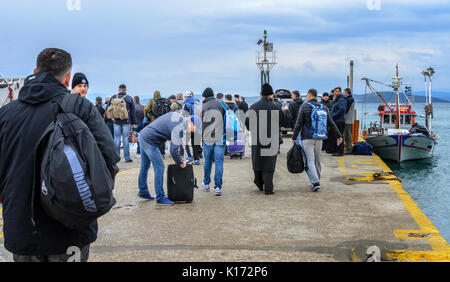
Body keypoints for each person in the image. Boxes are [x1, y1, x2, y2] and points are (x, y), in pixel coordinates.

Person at [0, 48, 119, 262]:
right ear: (66, 80)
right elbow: (109, 158)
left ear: (35, 71)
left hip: (22, 228)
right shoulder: (80, 108)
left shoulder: (6, 114)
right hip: (70, 228)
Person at [138, 111, 199, 205]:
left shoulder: (178, 117)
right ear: (191, 123)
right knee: (159, 167)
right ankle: (160, 197)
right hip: (150, 141)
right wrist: (180, 162)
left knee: (145, 166)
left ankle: (143, 191)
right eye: (195, 128)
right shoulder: (179, 128)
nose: (194, 131)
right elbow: (173, 151)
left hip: (143, 135)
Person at [292, 89, 343, 192]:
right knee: (318, 160)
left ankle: (315, 182)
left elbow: (298, 123)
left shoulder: (304, 106)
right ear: (316, 96)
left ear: (309, 96)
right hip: (319, 137)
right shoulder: (323, 107)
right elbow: (331, 123)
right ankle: (317, 179)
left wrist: (294, 137)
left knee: (310, 161)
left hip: (307, 137)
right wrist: (339, 135)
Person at [245, 83, 287, 195]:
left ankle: (259, 183)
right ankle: (268, 187)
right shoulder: (276, 107)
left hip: (257, 138)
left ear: (260, 94)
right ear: (271, 95)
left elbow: (247, 124)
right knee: (269, 163)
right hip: (272, 139)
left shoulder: (253, 107)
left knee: (257, 161)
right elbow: (284, 122)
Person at [201, 87, 226, 196]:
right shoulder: (221, 104)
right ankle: (218, 187)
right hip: (220, 137)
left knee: (208, 161)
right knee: (219, 162)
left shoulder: (203, 106)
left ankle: (206, 183)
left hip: (207, 138)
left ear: (205, 96)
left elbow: (199, 124)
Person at [106, 84, 137, 162]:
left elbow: (107, 108)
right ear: (125, 90)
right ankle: (127, 158)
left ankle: (116, 158)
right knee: (126, 139)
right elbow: (133, 112)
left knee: (116, 139)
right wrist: (133, 122)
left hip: (116, 121)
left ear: (119, 90)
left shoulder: (113, 97)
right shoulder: (129, 98)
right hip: (127, 121)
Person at [144, 90, 167, 158]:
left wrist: (146, 116)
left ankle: (154, 152)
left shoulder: (151, 101)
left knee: (154, 137)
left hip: (154, 121)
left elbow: (145, 109)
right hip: (163, 121)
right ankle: (162, 153)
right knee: (162, 137)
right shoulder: (164, 101)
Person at [183, 91, 202, 165]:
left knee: (186, 141)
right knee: (195, 143)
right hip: (198, 124)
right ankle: (197, 160)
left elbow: (183, 115)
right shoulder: (198, 103)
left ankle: (189, 157)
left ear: (186, 97)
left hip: (189, 124)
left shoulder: (186, 104)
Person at [328, 87, 347, 156]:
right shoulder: (337, 100)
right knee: (335, 136)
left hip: (339, 121)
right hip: (336, 120)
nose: (335, 93)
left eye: (336, 91)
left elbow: (341, 110)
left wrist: (333, 116)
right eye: (334, 91)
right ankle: (336, 150)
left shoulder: (341, 100)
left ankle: (340, 152)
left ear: (340, 92)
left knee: (339, 136)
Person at [344, 88, 355, 154]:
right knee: (347, 134)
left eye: (344, 92)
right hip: (349, 119)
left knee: (348, 135)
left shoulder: (349, 100)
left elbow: (346, 110)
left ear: (347, 93)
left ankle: (349, 148)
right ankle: (348, 147)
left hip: (348, 119)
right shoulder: (350, 99)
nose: (343, 93)